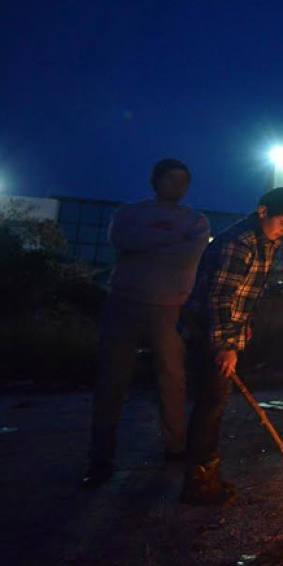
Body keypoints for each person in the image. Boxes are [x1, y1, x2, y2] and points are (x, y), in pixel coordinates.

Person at [83, 159, 210, 487]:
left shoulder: (196, 221)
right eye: (171, 179)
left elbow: (189, 255)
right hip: (124, 303)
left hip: (171, 307)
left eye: (184, 181)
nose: (178, 187)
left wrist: (145, 248)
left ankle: (175, 447)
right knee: (111, 381)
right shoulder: (129, 213)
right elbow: (123, 240)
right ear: (156, 181)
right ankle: (100, 457)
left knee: (172, 378)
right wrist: (169, 243)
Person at [178, 186, 283, 506]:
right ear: (263, 211)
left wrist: (243, 327)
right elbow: (220, 296)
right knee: (210, 406)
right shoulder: (240, 242)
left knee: (215, 404)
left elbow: (246, 293)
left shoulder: (267, 242)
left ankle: (204, 475)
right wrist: (226, 345)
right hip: (208, 334)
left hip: (224, 332)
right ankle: (199, 484)